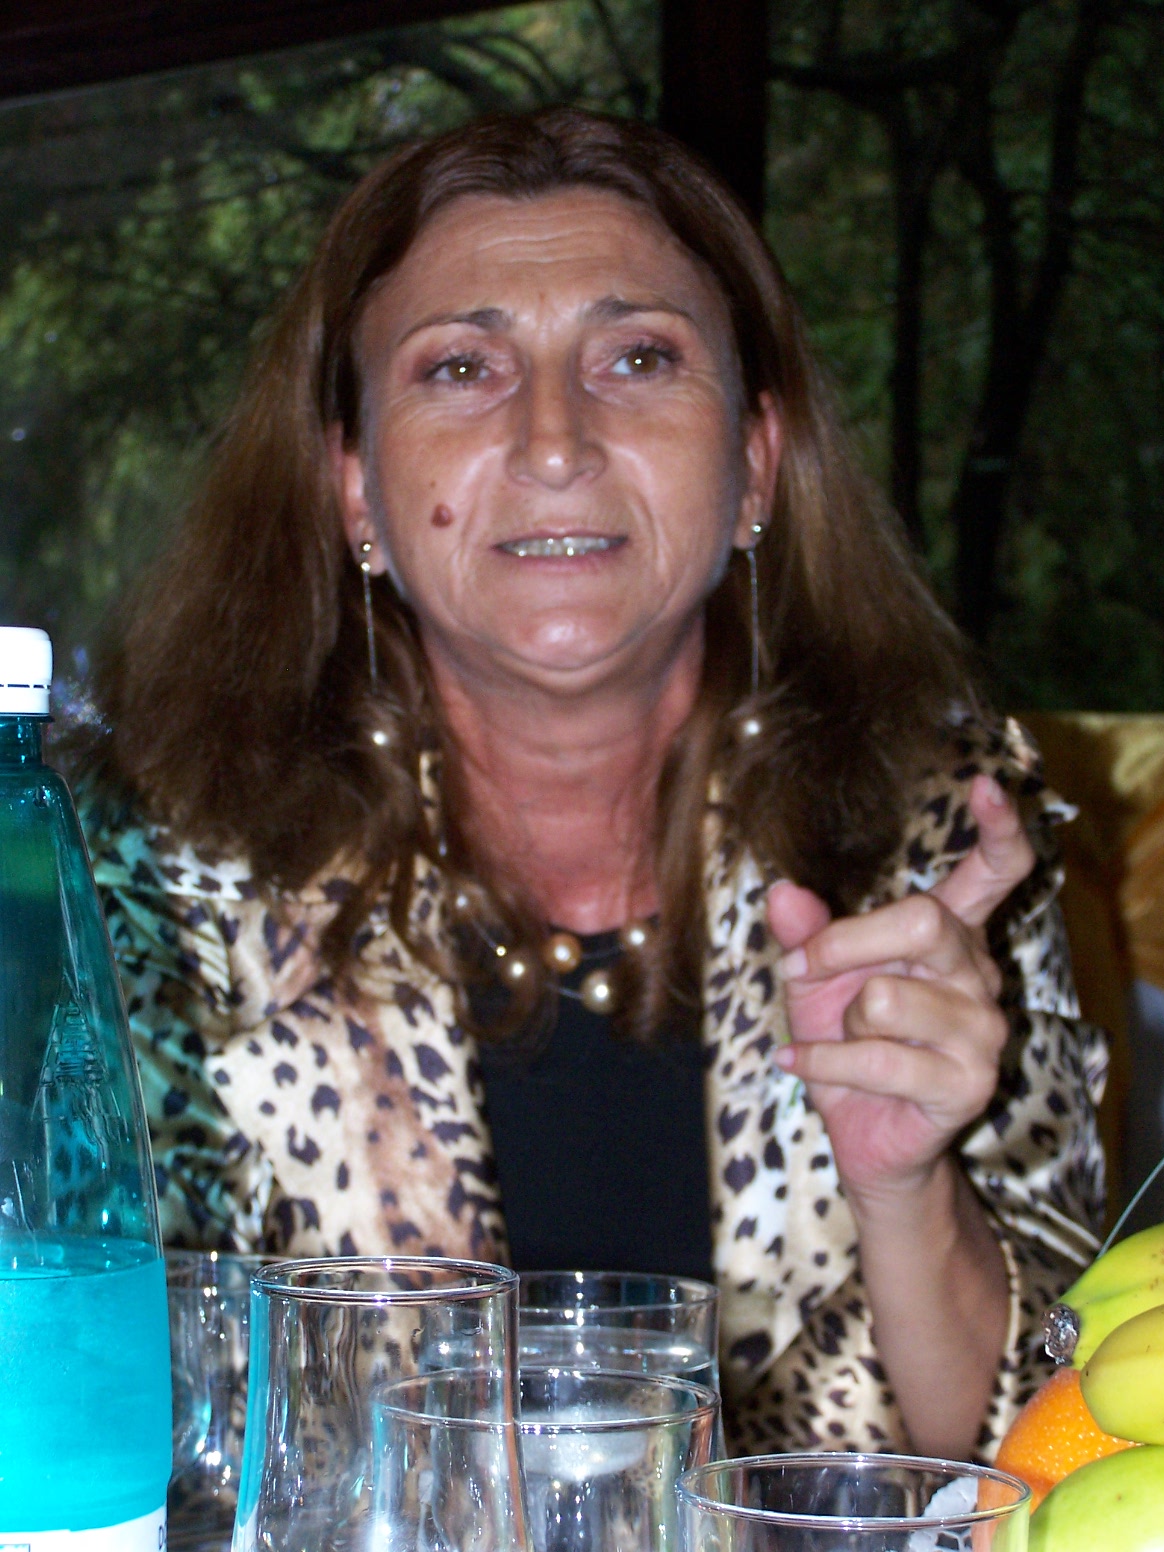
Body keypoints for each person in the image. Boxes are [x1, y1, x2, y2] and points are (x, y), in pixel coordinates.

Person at [71, 108, 1105, 1460]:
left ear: (754, 464)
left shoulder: (939, 842)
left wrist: (908, 1192)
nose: (555, 441)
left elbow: (1062, 1457)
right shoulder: (145, 871)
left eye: (638, 358)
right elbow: (70, 1405)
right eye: (461, 368)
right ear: (354, 491)